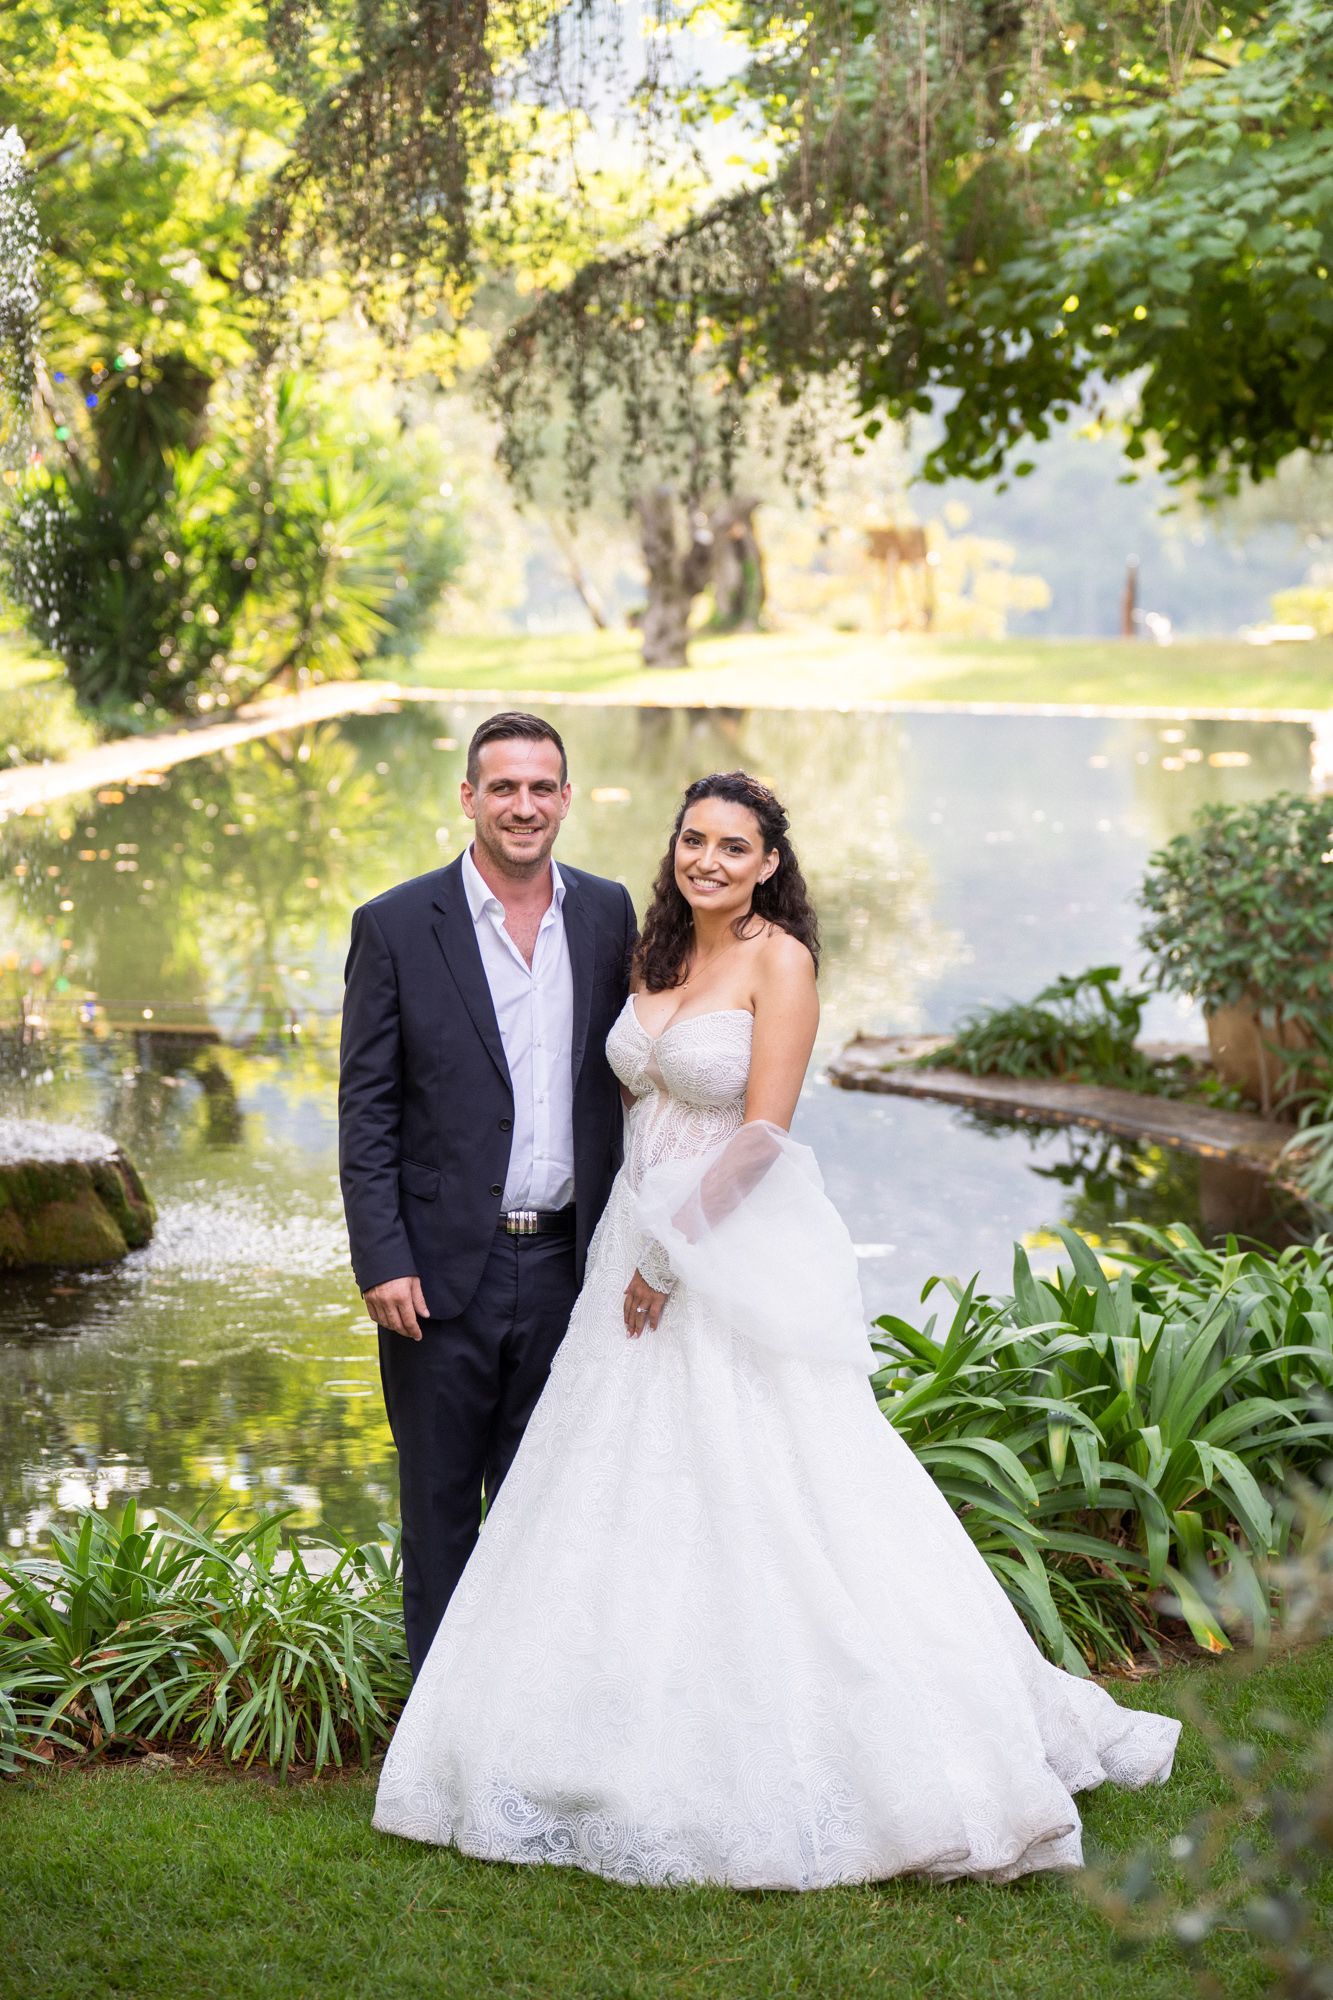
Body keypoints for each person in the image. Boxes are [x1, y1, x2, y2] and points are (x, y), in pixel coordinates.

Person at [373, 770, 1180, 1886]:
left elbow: (760, 1135)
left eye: (733, 846)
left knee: (770, 1488)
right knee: (613, 1493)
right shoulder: (653, 952)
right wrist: (623, 1243)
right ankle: (589, 1732)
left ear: (768, 863)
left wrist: (670, 1254)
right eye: (693, 839)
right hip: (619, 1254)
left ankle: (867, 1736)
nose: (707, 859)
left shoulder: (779, 959)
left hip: (713, 1257)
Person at [338, 711, 635, 1678]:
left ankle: (522, 1730)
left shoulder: (606, 915)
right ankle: (432, 1746)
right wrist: (382, 1257)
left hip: (566, 1265)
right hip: (435, 1275)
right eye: (501, 787)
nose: (522, 805)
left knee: (543, 1511)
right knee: (437, 1517)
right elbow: (366, 1108)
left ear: (565, 799)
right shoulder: (393, 925)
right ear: (468, 797)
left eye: (540, 787)